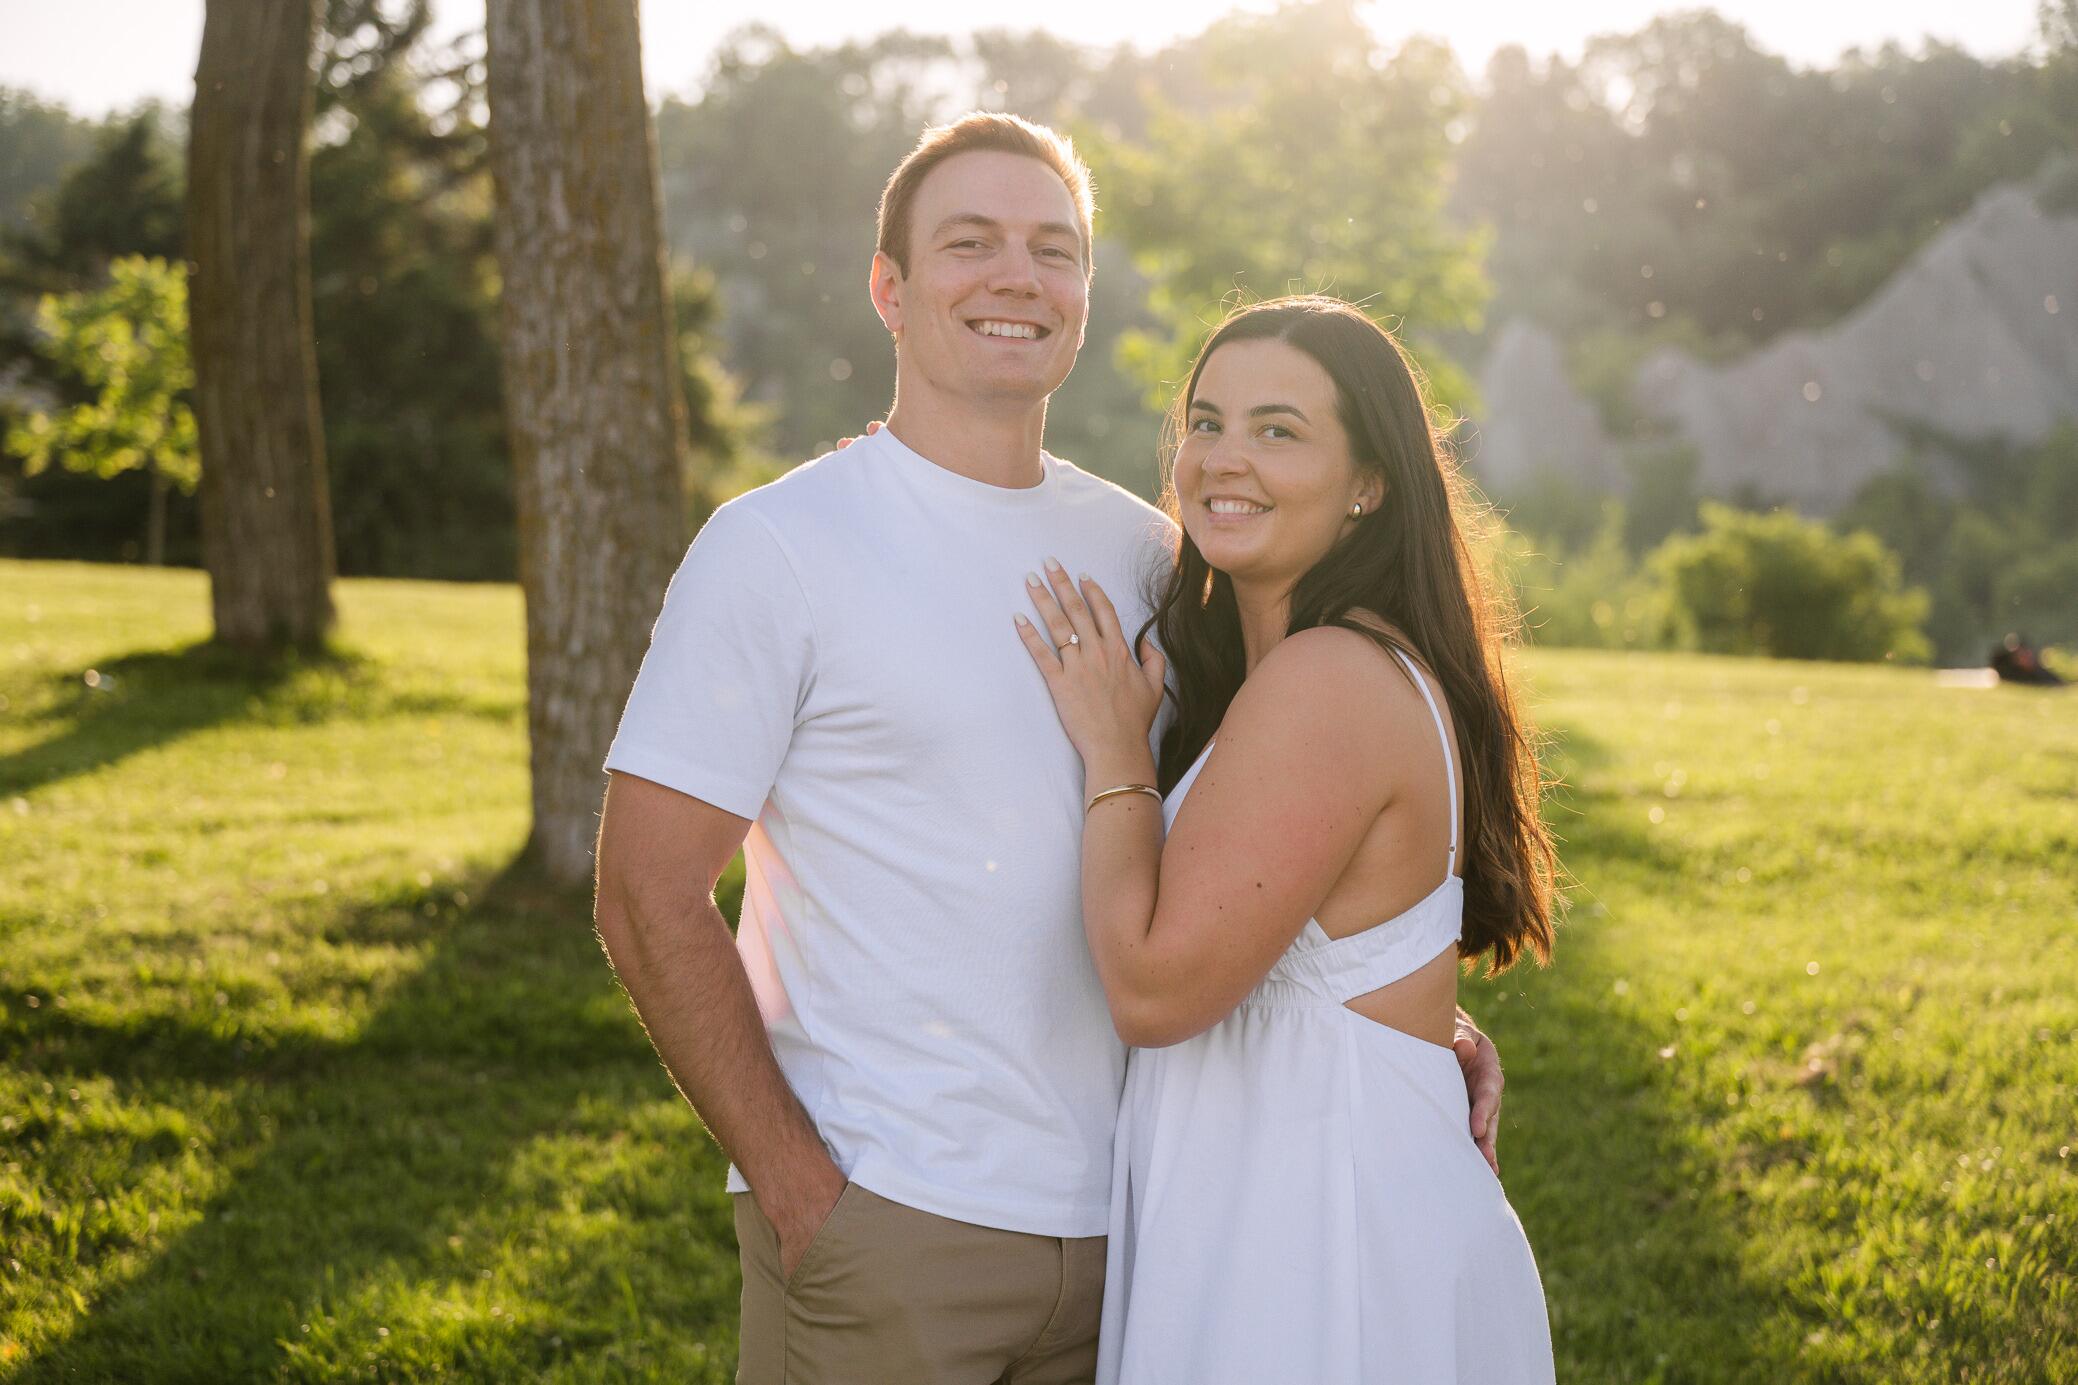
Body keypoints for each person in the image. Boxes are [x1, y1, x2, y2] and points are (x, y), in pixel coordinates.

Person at [592, 113, 1504, 1382]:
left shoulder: (1156, 552)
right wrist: (803, 1191)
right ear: (888, 288)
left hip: (1143, 1226)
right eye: (969, 242)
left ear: (1081, 293)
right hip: (892, 1228)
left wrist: (1409, 1032)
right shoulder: (781, 545)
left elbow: (1288, 838)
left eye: (1052, 248)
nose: (1015, 275)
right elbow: (643, 891)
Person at [1014, 296, 1557, 1382]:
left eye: (1278, 430)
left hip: (1316, 1241)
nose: (1223, 458)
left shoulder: (1327, 678)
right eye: (1206, 422)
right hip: (1291, 1196)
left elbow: (1155, 992)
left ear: (1368, 482)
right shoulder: (1304, 670)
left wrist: (1116, 751)